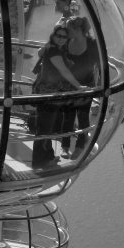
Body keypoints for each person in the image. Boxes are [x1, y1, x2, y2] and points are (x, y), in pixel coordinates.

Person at [31, 25, 82, 168]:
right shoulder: (54, 50)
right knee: (44, 128)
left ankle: (48, 156)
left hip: (49, 93)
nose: (61, 39)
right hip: (49, 94)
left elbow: (40, 52)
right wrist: (79, 86)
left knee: (46, 127)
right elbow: (64, 71)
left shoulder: (52, 48)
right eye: (58, 36)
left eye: (64, 37)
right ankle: (39, 161)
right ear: (54, 36)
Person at [59, 16, 100, 159]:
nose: (67, 31)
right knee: (68, 116)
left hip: (86, 86)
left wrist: (100, 85)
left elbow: (100, 65)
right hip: (69, 85)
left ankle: (79, 146)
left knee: (83, 117)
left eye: (69, 29)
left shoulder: (92, 44)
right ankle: (64, 146)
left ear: (78, 30)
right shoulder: (66, 42)